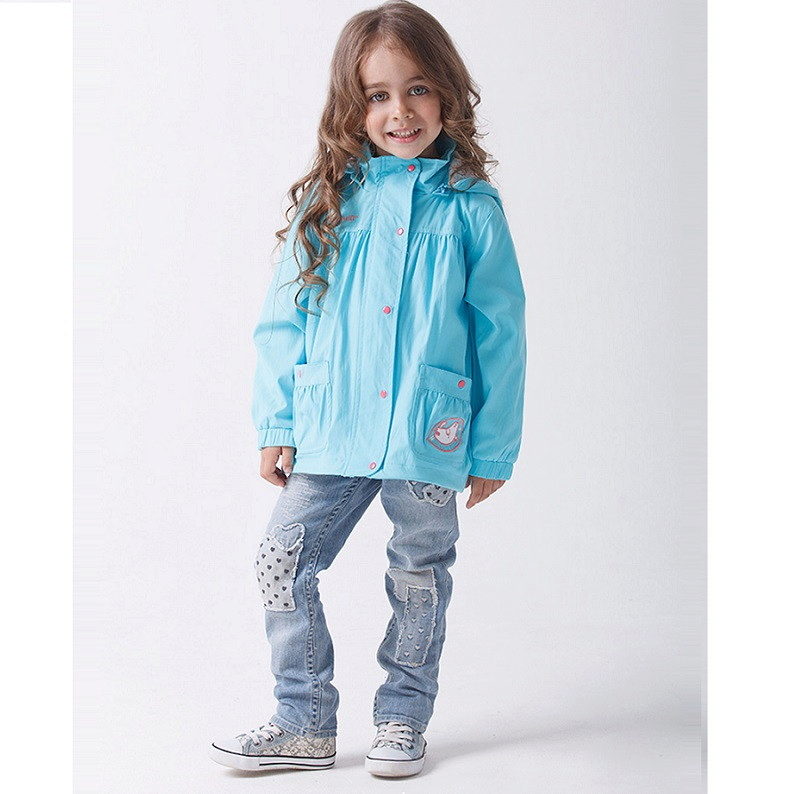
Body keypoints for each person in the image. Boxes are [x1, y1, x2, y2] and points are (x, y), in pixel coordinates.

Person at [210, 0, 526, 779]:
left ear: (447, 91)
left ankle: (402, 718)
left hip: (428, 430)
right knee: (282, 560)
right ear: (351, 107)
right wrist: (276, 421)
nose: (400, 111)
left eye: (417, 89)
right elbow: (282, 320)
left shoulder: (471, 207)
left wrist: (492, 448)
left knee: (419, 578)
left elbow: (502, 333)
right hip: (333, 423)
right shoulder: (329, 203)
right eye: (378, 95)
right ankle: (303, 720)